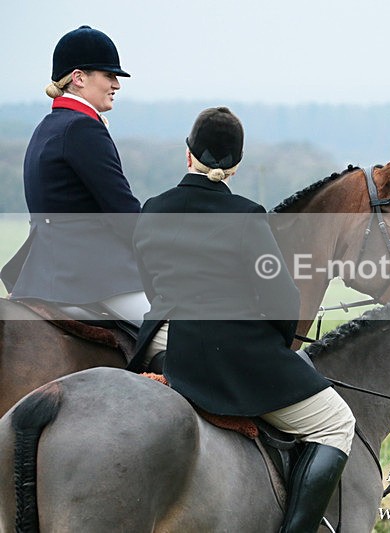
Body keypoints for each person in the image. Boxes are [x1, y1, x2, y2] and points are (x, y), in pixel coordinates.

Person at [129, 107, 355, 532]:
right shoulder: (248, 215)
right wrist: (276, 339)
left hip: (160, 344)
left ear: (187, 154)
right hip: (221, 352)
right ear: (235, 166)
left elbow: (151, 286)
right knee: (336, 423)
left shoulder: (152, 209)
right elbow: (281, 298)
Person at [0, 25, 147, 328]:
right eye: (109, 75)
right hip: (94, 276)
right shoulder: (82, 128)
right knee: (183, 334)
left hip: (45, 273)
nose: (116, 84)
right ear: (79, 78)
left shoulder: (47, 126)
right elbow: (124, 213)